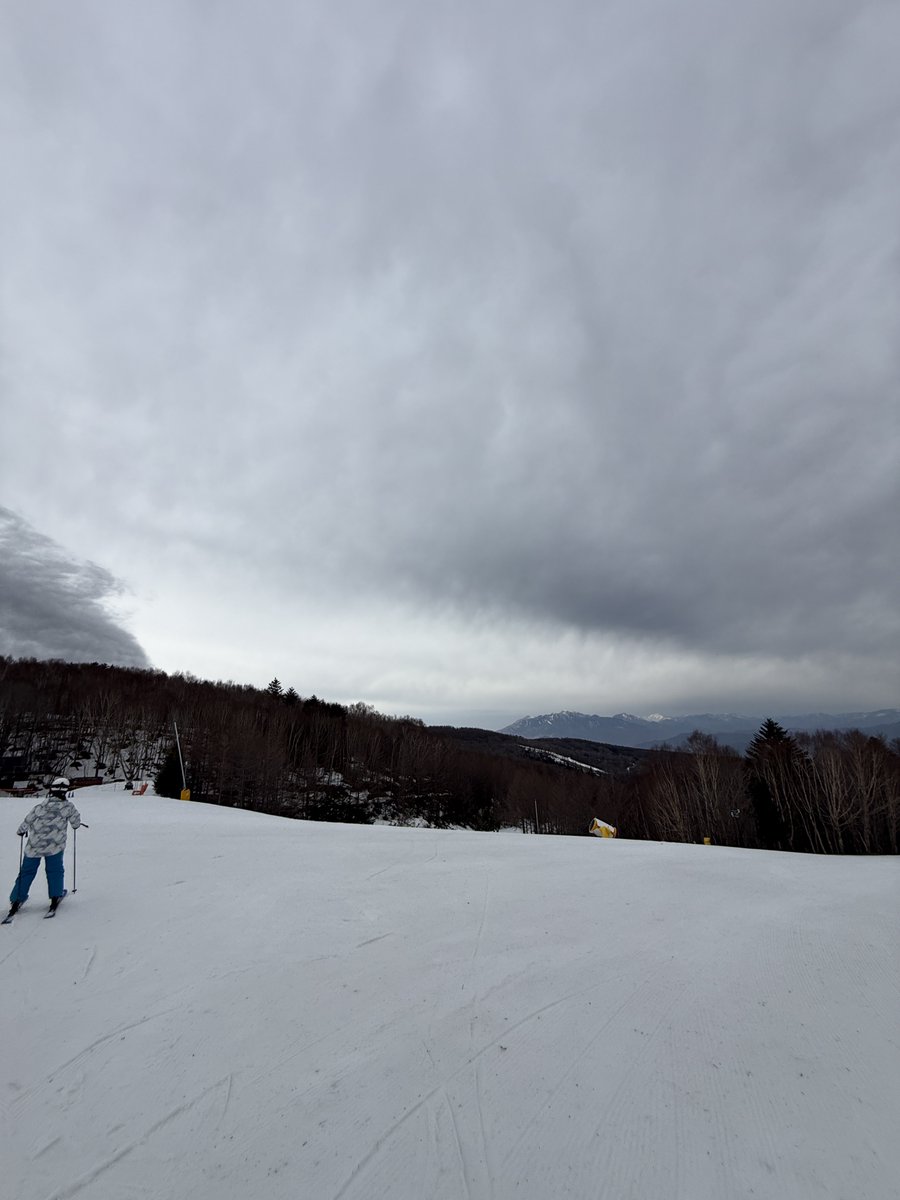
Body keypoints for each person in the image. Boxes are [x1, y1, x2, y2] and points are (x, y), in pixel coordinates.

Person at [7, 777, 87, 915]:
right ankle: (55, 895)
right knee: (54, 870)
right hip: (54, 846)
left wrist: (22, 831)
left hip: (34, 846)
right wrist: (76, 825)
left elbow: (27, 821)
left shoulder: (41, 806)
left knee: (26, 872)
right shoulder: (68, 807)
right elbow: (75, 823)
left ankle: (17, 898)